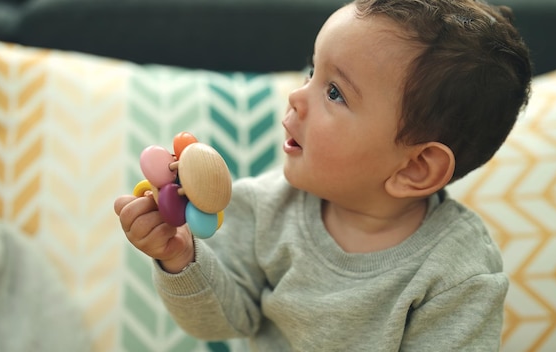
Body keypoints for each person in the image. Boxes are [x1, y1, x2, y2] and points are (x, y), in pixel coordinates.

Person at [114, 0, 531, 350]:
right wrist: (179, 257)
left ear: (415, 168)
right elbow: (221, 321)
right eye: (312, 72)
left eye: (335, 92)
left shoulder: (459, 274)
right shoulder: (263, 206)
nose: (297, 96)